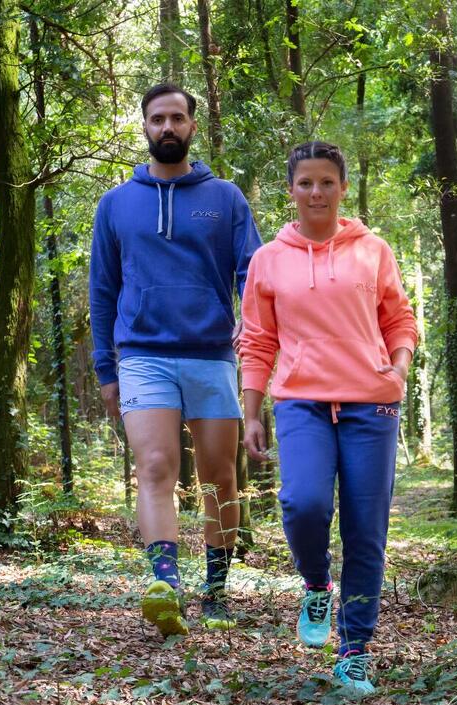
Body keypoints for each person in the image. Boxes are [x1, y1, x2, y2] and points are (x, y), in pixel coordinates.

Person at [240, 141, 416, 697]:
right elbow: (257, 339)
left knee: (367, 531)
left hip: (372, 402)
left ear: (342, 187)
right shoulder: (269, 259)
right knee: (303, 502)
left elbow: (400, 318)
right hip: (301, 402)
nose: (316, 192)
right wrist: (251, 411)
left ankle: (354, 652)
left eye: (326, 182)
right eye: (305, 183)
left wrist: (399, 366)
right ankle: (317, 583)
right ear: (291, 191)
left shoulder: (374, 251)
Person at [89, 83, 261, 637]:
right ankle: (166, 587)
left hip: (212, 355)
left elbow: (252, 274)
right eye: (158, 118)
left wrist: (251, 326)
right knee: (156, 467)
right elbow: (103, 289)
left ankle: (216, 591)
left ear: (192, 126)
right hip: (143, 356)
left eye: (177, 118)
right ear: (144, 126)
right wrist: (105, 368)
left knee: (219, 478)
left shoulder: (227, 198)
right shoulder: (116, 204)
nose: (168, 127)